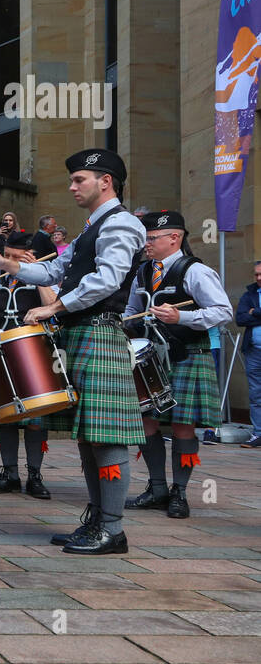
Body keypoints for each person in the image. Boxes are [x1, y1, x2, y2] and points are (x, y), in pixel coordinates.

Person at [0, 148, 147, 555]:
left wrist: (55, 306)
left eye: (79, 180)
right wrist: (9, 265)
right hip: (81, 334)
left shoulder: (120, 224)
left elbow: (107, 279)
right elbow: (55, 271)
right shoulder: (92, 227)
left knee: (106, 436)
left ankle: (112, 528)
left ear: (105, 181)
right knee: (89, 436)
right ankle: (97, 520)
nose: (72, 187)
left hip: (100, 333)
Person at [122, 210, 233, 516]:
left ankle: (179, 493)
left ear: (174, 238)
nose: (146, 244)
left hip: (187, 355)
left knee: (184, 427)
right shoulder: (144, 271)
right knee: (146, 423)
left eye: (152, 238)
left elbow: (223, 311)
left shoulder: (195, 271)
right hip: (151, 359)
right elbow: (132, 309)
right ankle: (157, 487)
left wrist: (181, 316)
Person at [0, 231, 56, 499]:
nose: (7, 262)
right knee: (5, 417)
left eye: (14, 258)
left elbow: (54, 305)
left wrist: (34, 272)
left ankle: (35, 476)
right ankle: (9, 474)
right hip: (0, 352)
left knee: (35, 421)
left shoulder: (46, 276)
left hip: (33, 353)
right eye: (6, 256)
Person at [234, 260, 261, 448]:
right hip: (253, 351)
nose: (258, 278)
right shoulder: (248, 294)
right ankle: (258, 433)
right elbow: (240, 318)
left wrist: (255, 312)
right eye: (256, 274)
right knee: (256, 393)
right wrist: (251, 314)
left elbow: (250, 315)